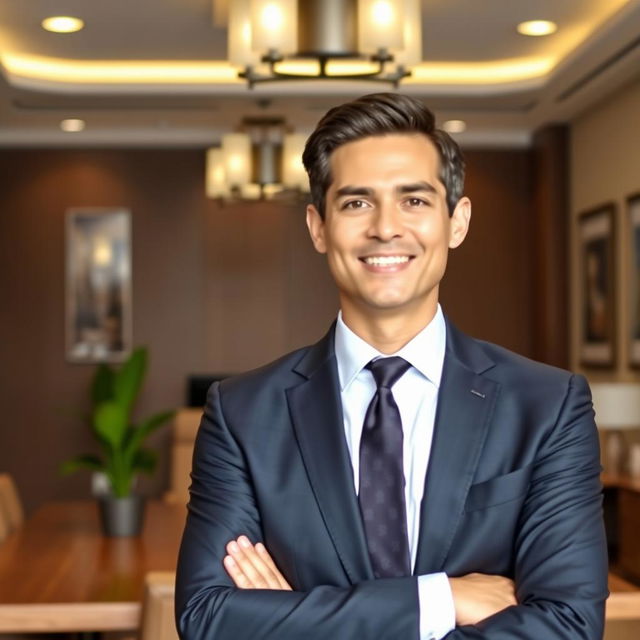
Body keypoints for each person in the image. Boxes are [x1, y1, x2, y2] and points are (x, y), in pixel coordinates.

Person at [175, 93, 608, 639]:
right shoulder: (241, 414)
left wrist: (297, 618)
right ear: (318, 227)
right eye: (357, 203)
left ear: (457, 221)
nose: (386, 228)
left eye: (415, 201)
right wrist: (440, 599)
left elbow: (566, 628)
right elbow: (208, 620)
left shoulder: (548, 406)